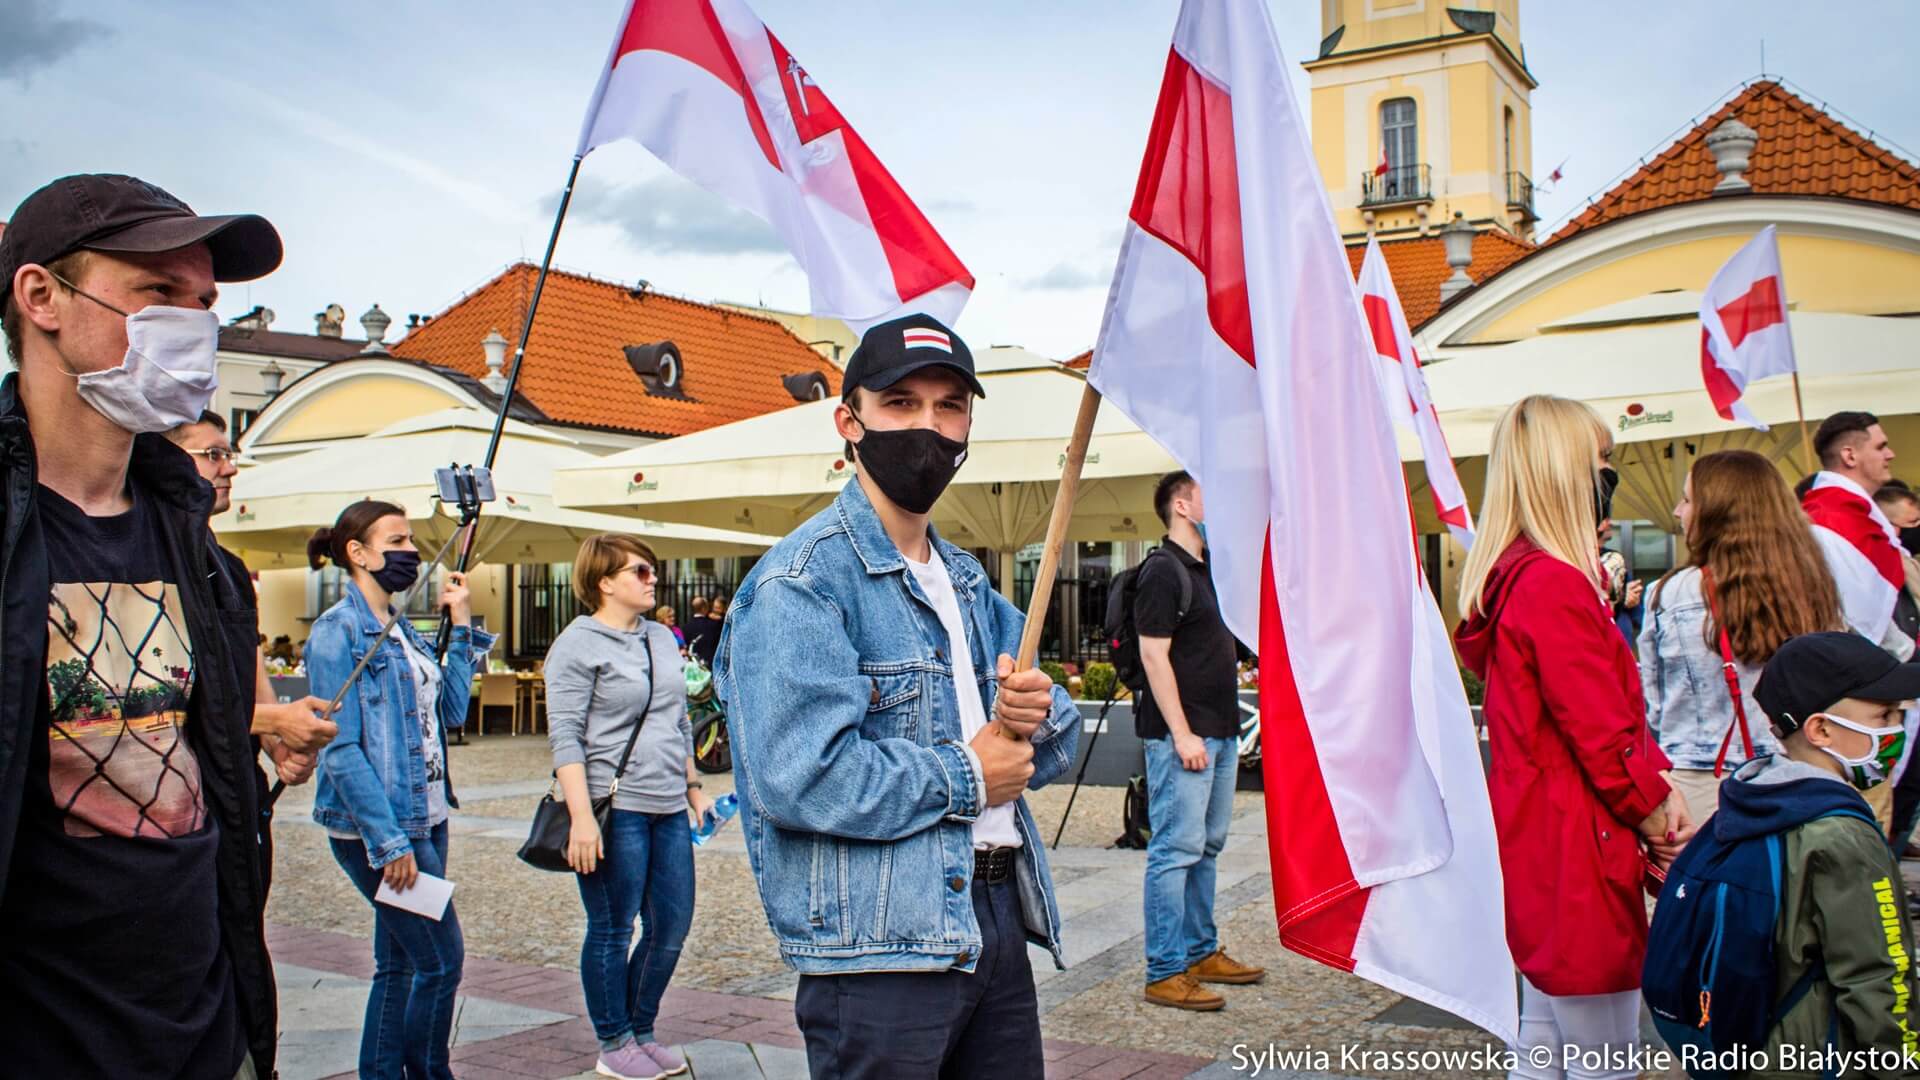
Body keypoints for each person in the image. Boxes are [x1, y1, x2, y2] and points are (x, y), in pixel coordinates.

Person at [714, 313, 1081, 1078]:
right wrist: (969, 774)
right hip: (881, 944)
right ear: (849, 422)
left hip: (996, 915)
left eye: (950, 407)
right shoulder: (803, 584)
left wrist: (1035, 713)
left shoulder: (967, 580)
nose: (929, 427)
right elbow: (800, 777)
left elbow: (1056, 735)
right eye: (902, 403)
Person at [0, 174, 285, 1079]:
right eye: (158, 292)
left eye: (204, 303)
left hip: (205, 1026)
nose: (193, 326)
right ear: (42, 296)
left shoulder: (198, 547)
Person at [1453, 394, 1692, 1080]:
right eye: (1603, 459)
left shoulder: (1518, 578)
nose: (1609, 475)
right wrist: (1655, 807)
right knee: (1602, 1055)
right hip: (1580, 839)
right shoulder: (1551, 584)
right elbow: (1601, 728)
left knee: (1545, 1036)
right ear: (1566, 470)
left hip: (1548, 832)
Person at [306, 499, 492, 1080]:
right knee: (441, 960)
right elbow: (339, 749)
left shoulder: (403, 627)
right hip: (383, 829)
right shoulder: (337, 632)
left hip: (427, 817)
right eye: (397, 541)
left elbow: (453, 712)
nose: (412, 551)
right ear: (358, 553)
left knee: (401, 964)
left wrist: (462, 626)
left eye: (412, 540)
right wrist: (389, 843)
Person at [544, 533, 712, 1080]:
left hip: (667, 804)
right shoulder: (576, 645)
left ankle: (641, 1030)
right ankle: (613, 1041)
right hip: (614, 807)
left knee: (671, 925)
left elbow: (678, 718)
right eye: (639, 571)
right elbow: (566, 737)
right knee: (613, 927)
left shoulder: (660, 637)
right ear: (604, 582)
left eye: (652, 569)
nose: (652, 578)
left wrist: (693, 788)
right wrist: (582, 819)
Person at [1720, 632, 1920, 1064]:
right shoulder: (1844, 836)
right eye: (1884, 715)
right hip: (1820, 1058)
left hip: (1759, 1048)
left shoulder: (1753, 797)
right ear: (1821, 729)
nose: (1896, 729)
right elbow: (1876, 978)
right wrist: (1902, 1065)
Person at [1639, 450, 1870, 823]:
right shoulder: (1813, 586)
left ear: (1716, 512)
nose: (1678, 511)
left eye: (1687, 500)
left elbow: (1653, 704)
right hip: (1799, 775)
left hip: (1699, 783)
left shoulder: (1671, 592)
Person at [1135, 470, 1264, 1011]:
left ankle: (1200, 950)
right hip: (1182, 737)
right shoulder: (1162, 571)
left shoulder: (1209, 569)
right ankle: (1165, 970)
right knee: (1175, 850)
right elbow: (1152, 655)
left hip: (1220, 731)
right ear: (1183, 506)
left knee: (1207, 845)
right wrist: (1182, 733)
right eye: (1209, 493)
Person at [165, 411, 338, 788]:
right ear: (165, 459)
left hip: (237, 785)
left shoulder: (231, 569)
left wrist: (278, 746)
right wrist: (276, 720)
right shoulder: (152, 564)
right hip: (177, 782)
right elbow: (163, 706)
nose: (230, 469)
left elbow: (252, 674)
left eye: (230, 456)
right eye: (213, 455)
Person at [682, 595, 720, 669]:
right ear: (703, 608)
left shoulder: (686, 626)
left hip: (693, 664)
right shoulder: (713, 625)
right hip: (710, 663)